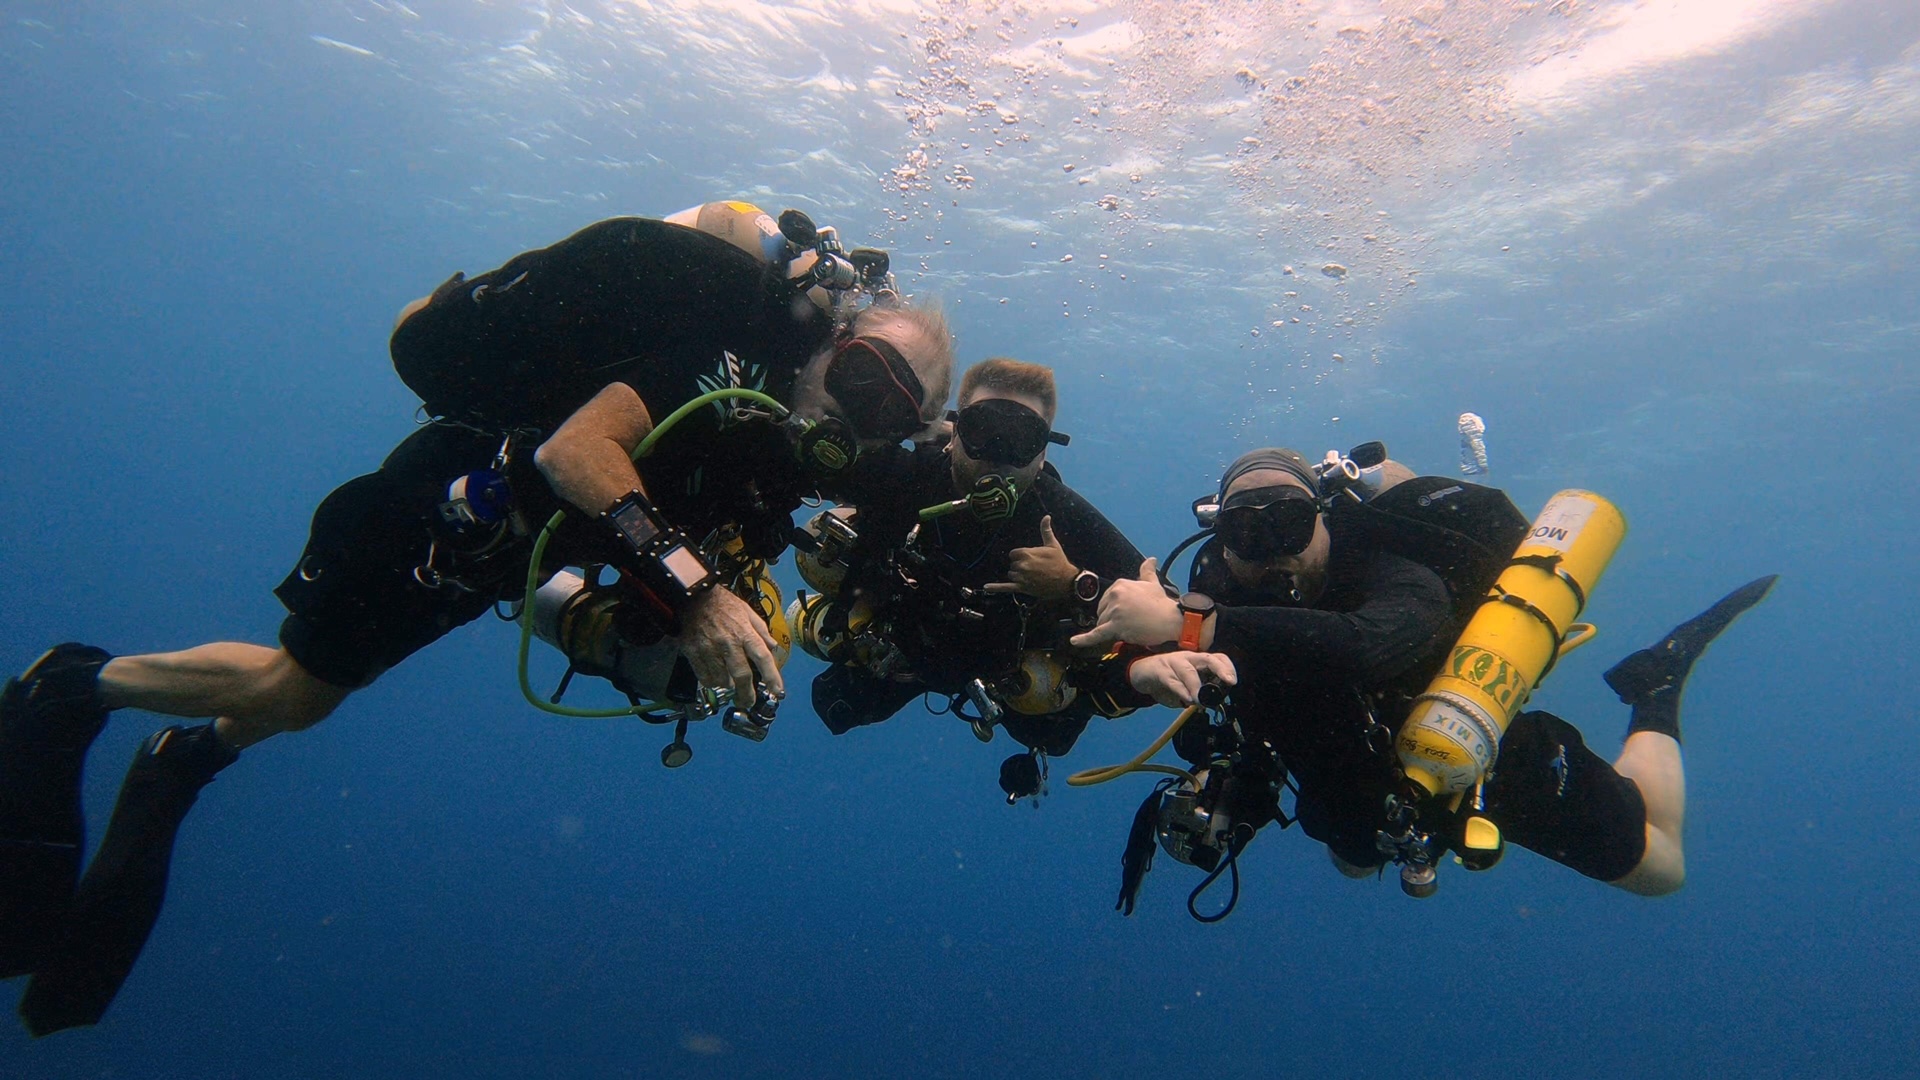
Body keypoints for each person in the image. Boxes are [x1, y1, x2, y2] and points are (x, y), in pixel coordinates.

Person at [0, 203, 954, 1035]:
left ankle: (186, 757)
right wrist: (696, 594)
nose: (861, 415)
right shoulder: (729, 362)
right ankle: (75, 682)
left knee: (301, 701)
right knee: (289, 690)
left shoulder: (778, 445)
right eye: (863, 376)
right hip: (445, 503)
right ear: (834, 339)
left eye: (892, 416)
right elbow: (581, 452)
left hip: (505, 551)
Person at [1073, 446, 1775, 913]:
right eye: (1247, 534)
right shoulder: (1218, 589)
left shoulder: (1386, 562)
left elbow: (1368, 648)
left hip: (1478, 752)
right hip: (1357, 787)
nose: (1272, 552)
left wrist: (1192, 628)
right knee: (1351, 863)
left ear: (1324, 517)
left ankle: (1656, 689)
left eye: (1290, 524)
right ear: (1221, 539)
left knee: (1662, 868)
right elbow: (1226, 724)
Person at [794, 358, 1148, 800]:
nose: (998, 455)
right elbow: (796, 462)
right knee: (835, 707)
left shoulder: (1058, 513)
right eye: (983, 431)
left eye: (1021, 439)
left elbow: (1159, 602)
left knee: (1054, 736)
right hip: (899, 642)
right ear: (954, 431)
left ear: (1043, 453)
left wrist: (1074, 583)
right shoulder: (907, 476)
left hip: (1008, 669)